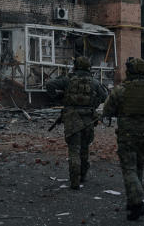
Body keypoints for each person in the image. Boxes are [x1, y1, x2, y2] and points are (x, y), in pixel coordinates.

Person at [102, 57, 144, 220]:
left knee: (129, 168)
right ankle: (133, 204)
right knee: (139, 166)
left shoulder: (121, 89)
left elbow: (108, 110)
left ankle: (137, 203)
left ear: (130, 71)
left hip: (128, 133)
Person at [46, 56, 108, 189]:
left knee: (74, 149)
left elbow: (49, 84)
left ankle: (74, 181)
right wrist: (93, 104)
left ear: (76, 66)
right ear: (88, 67)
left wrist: (58, 98)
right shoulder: (94, 82)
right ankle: (83, 176)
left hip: (72, 118)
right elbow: (104, 96)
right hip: (88, 119)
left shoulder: (68, 80)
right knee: (85, 148)